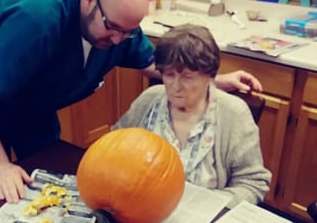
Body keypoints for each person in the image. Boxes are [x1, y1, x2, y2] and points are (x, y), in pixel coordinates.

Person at [0, 0, 262, 203]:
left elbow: (156, 66)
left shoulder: (120, 27)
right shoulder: (36, 16)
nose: (120, 39)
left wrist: (210, 79)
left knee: (45, 168)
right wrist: (0, 165)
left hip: (32, 96)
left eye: (128, 32)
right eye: (113, 28)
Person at [113, 24, 271, 207]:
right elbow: (114, 148)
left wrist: (210, 206)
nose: (175, 86)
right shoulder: (150, 100)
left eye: (187, 77)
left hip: (204, 220)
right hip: (141, 209)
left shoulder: (234, 113)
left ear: (210, 76)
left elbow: (253, 183)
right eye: (169, 75)